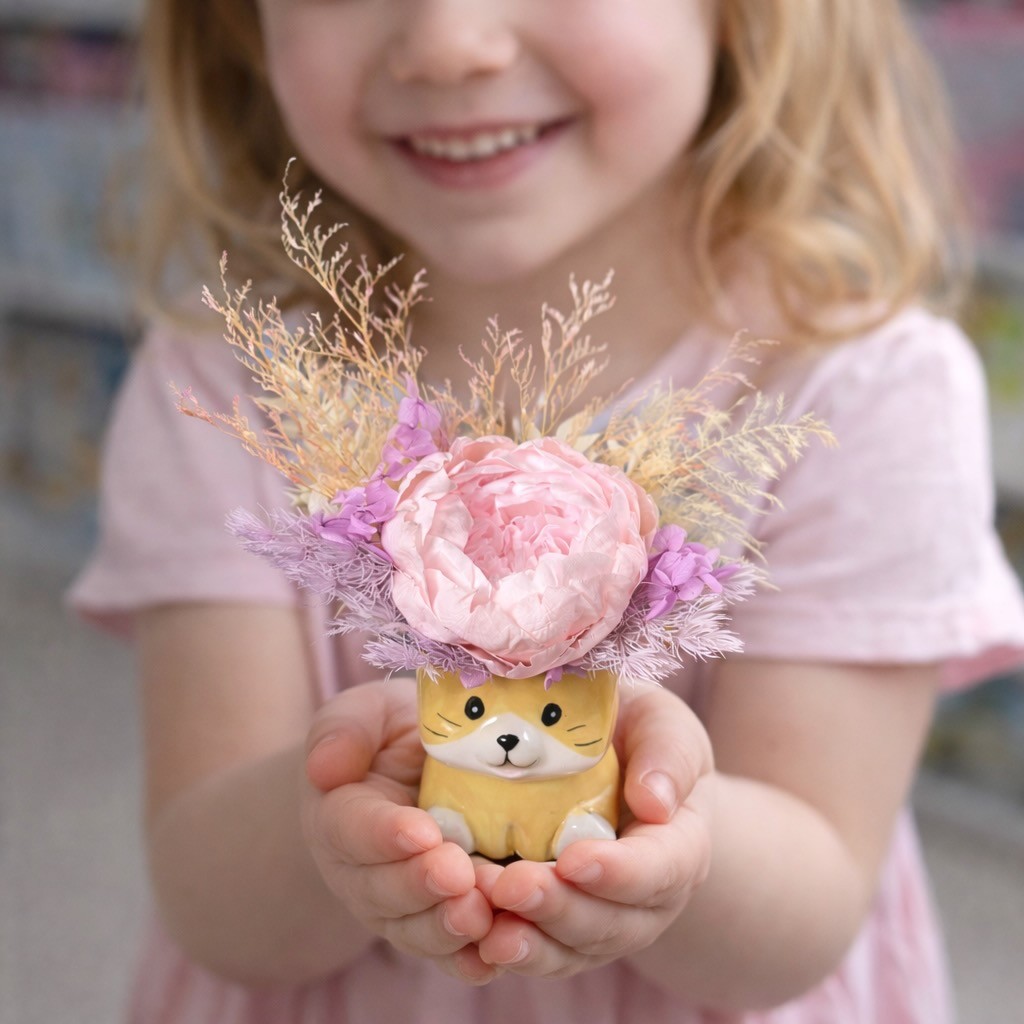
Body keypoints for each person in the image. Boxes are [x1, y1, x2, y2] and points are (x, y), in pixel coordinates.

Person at [69, 1, 1024, 1022]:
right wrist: (355, 798)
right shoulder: (225, 395)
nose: (447, 43)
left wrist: (646, 810)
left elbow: (801, 918)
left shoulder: (862, 394)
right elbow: (224, 915)